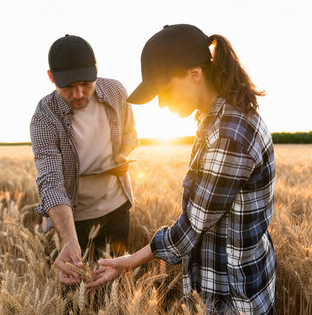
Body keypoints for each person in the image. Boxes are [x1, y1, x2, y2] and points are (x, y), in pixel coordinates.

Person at [86, 24, 276, 314]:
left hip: (235, 297)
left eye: (164, 90)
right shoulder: (215, 120)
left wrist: (131, 261)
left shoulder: (229, 133)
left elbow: (191, 228)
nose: (161, 104)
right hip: (226, 285)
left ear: (194, 75)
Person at [30, 34, 139, 286]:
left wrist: (124, 153)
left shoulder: (116, 91)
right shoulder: (44, 117)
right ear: (51, 78)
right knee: (74, 295)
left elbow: (131, 134)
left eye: (85, 83)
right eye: (68, 86)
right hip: (72, 218)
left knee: (115, 287)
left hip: (117, 208)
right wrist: (68, 240)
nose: (78, 93)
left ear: (96, 71)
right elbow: (51, 182)